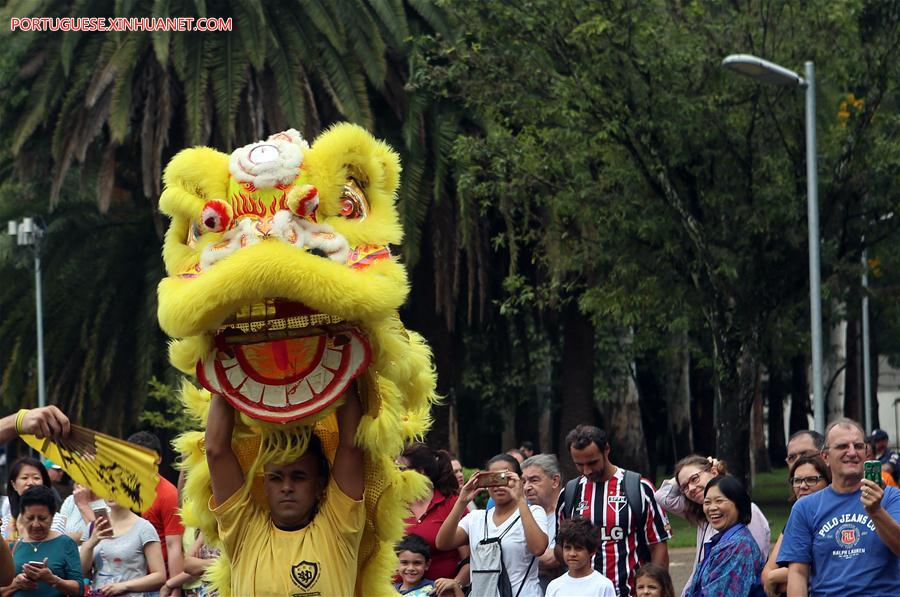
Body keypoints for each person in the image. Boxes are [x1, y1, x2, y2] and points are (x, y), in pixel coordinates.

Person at [205, 386, 365, 595]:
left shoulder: (339, 528)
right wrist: (224, 378)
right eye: (276, 478)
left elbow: (352, 445)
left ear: (319, 486)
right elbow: (215, 451)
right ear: (265, 486)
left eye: (298, 477)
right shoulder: (244, 532)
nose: (287, 487)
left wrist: (344, 373)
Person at [779, 418, 900, 595]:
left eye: (858, 446)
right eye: (843, 446)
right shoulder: (805, 507)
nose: (852, 452)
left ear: (867, 453)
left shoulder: (890, 497)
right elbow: (797, 573)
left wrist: (876, 511)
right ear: (825, 457)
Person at [557, 425, 670, 597]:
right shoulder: (569, 494)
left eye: (592, 462)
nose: (587, 470)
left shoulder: (639, 488)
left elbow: (658, 546)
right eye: (579, 465)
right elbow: (560, 547)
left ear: (606, 450)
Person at [653, 454, 769, 596]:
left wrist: (714, 468)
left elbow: (750, 567)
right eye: (685, 487)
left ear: (713, 471)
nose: (691, 488)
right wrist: (682, 477)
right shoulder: (703, 515)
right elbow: (662, 496)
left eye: (694, 479)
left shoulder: (746, 519)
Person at [435, 454, 548, 597]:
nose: (499, 485)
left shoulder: (534, 512)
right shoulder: (476, 518)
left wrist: (520, 498)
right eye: (492, 479)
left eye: (505, 478)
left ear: (520, 480)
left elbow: (538, 548)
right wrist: (462, 501)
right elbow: (442, 543)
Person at [398, 443, 470, 593]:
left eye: (401, 470)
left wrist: (455, 584)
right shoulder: (392, 504)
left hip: (440, 593)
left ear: (420, 472)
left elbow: (469, 560)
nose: (395, 475)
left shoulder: (453, 504)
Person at [761, 454, 830, 596]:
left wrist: (780, 576)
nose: (803, 486)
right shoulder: (795, 519)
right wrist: (777, 577)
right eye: (797, 481)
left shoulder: (837, 517)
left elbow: (830, 570)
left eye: (811, 480)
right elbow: (767, 574)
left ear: (828, 482)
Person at [684, 476, 765, 596]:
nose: (712, 508)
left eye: (719, 501)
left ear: (738, 503)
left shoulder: (737, 546)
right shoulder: (724, 540)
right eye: (707, 502)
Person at [125, 431, 184, 594]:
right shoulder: (120, 491)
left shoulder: (168, 494)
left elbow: (174, 545)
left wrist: (174, 589)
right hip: (125, 579)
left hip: (157, 585)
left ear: (158, 459)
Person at [2, 485, 82, 596]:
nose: (36, 524)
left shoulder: (66, 543)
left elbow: (79, 590)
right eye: (30, 518)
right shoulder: (13, 547)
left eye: (42, 518)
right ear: (22, 516)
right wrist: (16, 584)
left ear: (53, 516)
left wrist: (53, 579)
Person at [79, 496, 165, 596]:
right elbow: (81, 573)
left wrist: (124, 586)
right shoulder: (93, 527)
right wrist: (90, 544)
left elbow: (160, 577)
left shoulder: (144, 528)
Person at [521, 454, 563, 589]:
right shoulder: (521, 513)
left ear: (555, 481)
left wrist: (520, 558)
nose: (526, 487)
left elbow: (555, 558)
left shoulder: (570, 509)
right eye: (523, 482)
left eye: (534, 480)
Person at [545, 517, 615, 597]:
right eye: (567, 548)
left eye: (578, 548)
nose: (572, 554)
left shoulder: (603, 586)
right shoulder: (554, 586)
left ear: (592, 551)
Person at [2, 459, 64, 541]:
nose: (30, 483)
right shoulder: (6, 522)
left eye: (36, 478)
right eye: (24, 478)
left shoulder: (56, 520)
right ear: (14, 485)